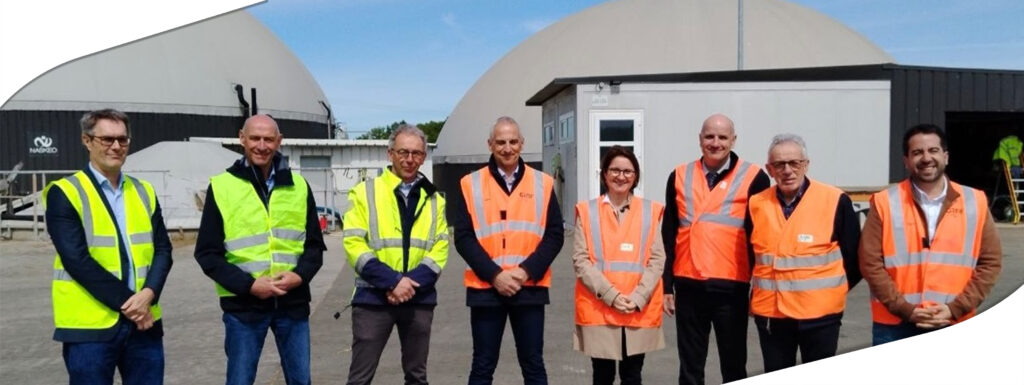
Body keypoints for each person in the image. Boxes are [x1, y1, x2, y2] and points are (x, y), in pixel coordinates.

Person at [194, 114, 325, 385]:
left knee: (301, 380)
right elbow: (207, 253)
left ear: (279, 141)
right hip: (244, 307)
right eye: (255, 138)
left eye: (268, 139)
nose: (262, 146)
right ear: (242, 138)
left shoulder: (299, 186)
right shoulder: (222, 187)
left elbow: (314, 246)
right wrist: (250, 285)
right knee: (240, 380)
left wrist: (299, 276)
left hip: (292, 304)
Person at [45, 109, 173, 385]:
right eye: (107, 139)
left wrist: (149, 294)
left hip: (144, 325)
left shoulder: (143, 191)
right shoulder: (65, 192)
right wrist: (133, 305)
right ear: (87, 140)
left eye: (122, 139)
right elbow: (76, 260)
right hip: (90, 328)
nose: (116, 146)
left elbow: (163, 250)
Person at [860, 124, 1002, 345]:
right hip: (895, 325)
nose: (926, 158)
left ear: (946, 156)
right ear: (906, 161)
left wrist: (956, 308)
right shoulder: (884, 202)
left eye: (933, 150)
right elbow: (869, 262)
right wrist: (904, 309)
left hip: (954, 320)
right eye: (917, 152)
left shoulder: (975, 201)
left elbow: (990, 262)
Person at [450, 116, 564, 385]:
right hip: (486, 288)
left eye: (513, 141)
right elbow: (463, 237)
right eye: (500, 142)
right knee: (482, 365)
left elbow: (554, 235)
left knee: (533, 364)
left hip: (529, 287)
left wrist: (525, 272)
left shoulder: (543, 183)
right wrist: (495, 275)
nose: (507, 148)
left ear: (522, 143)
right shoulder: (470, 183)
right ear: (490, 144)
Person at [661, 114, 769, 385]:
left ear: (733, 140)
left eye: (722, 137)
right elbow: (669, 234)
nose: (715, 142)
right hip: (688, 286)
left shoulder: (755, 178)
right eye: (709, 136)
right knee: (690, 368)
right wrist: (666, 285)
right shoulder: (679, 175)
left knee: (733, 366)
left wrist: (759, 286)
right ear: (700, 140)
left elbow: (761, 237)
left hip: (731, 288)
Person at [342, 124, 449, 385]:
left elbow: (440, 249)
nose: (409, 159)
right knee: (360, 378)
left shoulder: (435, 199)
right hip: (372, 297)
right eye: (403, 152)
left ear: (423, 157)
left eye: (416, 153)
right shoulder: (365, 192)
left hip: (418, 297)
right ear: (390, 154)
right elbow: (354, 244)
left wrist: (408, 285)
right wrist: (393, 282)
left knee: (417, 377)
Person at [745, 133, 861, 372]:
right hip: (772, 316)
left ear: (806, 165)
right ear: (769, 169)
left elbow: (856, 258)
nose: (787, 170)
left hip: (821, 316)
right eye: (779, 164)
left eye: (794, 163)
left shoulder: (835, 200)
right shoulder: (756, 204)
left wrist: (833, 291)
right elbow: (748, 256)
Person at [573, 146, 665, 385]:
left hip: (637, 307)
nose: (621, 176)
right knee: (602, 376)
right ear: (604, 174)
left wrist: (638, 297)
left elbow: (657, 259)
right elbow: (581, 260)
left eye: (627, 171)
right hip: (600, 307)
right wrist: (611, 295)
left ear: (635, 176)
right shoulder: (587, 211)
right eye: (615, 170)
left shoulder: (650, 211)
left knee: (632, 376)